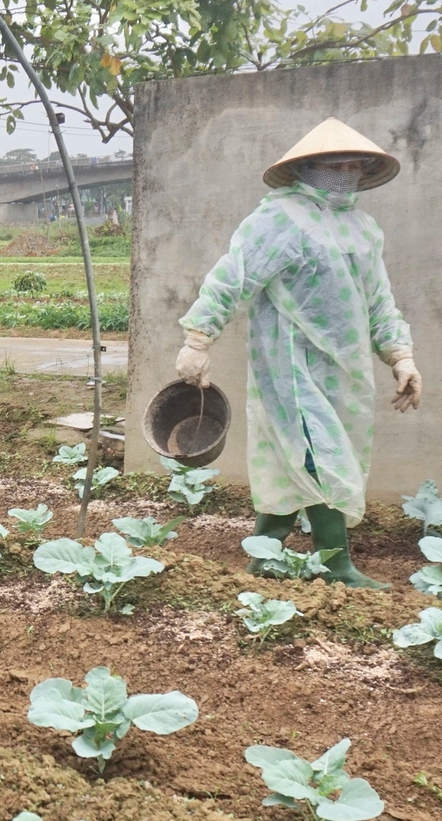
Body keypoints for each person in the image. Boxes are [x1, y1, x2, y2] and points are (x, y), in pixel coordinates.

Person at [175, 117, 422, 590]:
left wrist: (400, 355)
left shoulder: (363, 229)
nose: (347, 170)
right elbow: (233, 277)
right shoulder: (280, 219)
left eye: (356, 163)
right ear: (308, 168)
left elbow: (378, 300)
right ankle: (336, 565)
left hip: (343, 368)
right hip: (288, 365)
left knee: (289, 459)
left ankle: (264, 557)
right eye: (337, 162)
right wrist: (197, 339)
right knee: (317, 455)